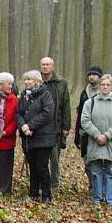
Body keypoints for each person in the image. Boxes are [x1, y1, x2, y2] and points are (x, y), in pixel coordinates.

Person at [80, 74, 112, 207]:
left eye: (108, 85)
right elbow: (85, 120)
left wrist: (107, 135)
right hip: (94, 142)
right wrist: (96, 135)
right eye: (103, 85)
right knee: (95, 171)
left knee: (110, 171)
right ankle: (97, 198)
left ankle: (110, 200)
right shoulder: (90, 103)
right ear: (99, 86)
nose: (105, 87)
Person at [17, 69, 55, 203]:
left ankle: (46, 194)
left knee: (42, 166)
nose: (27, 82)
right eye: (25, 79)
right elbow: (19, 113)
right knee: (32, 166)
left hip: (43, 137)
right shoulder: (23, 96)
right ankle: (33, 192)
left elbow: (47, 113)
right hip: (28, 138)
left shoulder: (45, 95)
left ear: (37, 81)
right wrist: (23, 126)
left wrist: (31, 126)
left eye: (30, 79)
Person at [39, 57, 70, 188]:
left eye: (48, 64)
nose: (45, 67)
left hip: (56, 126)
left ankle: (54, 182)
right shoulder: (36, 81)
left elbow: (66, 105)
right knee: (40, 156)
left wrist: (66, 126)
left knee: (54, 157)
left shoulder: (61, 83)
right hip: (39, 126)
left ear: (53, 66)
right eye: (43, 65)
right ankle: (41, 181)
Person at [74, 65, 103, 190]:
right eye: (90, 74)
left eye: (94, 74)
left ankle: (101, 188)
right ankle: (93, 185)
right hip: (85, 133)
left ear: (100, 77)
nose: (91, 77)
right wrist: (76, 133)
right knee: (87, 162)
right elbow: (80, 113)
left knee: (101, 163)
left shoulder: (106, 93)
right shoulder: (84, 93)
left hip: (102, 134)